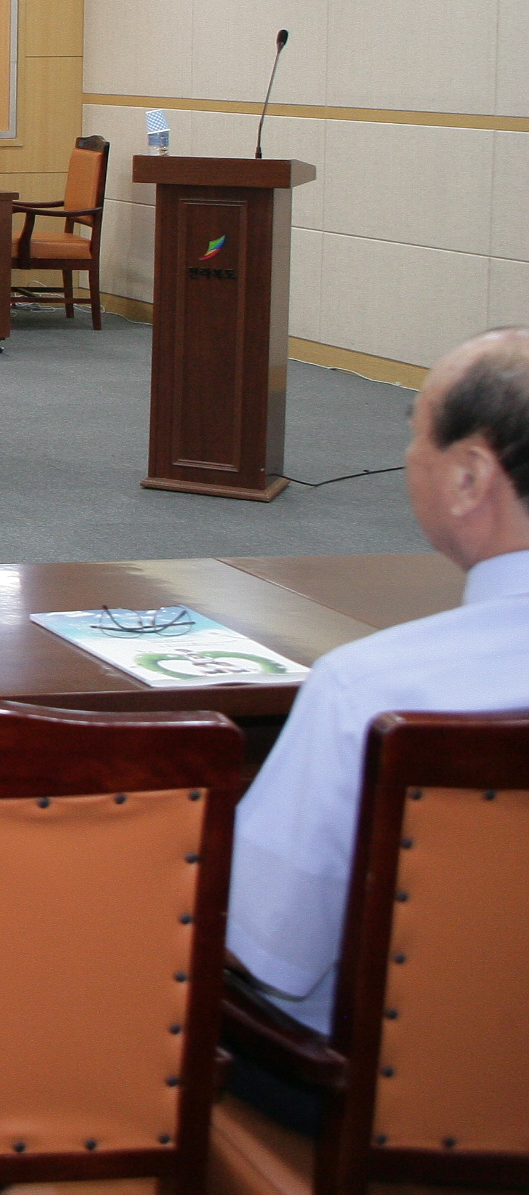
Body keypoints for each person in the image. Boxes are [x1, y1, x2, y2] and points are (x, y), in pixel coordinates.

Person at [223, 326, 529, 1124]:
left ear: (468, 477)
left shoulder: (373, 692)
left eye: (415, 433)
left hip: (395, 1106)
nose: (406, 458)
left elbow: (263, 948)